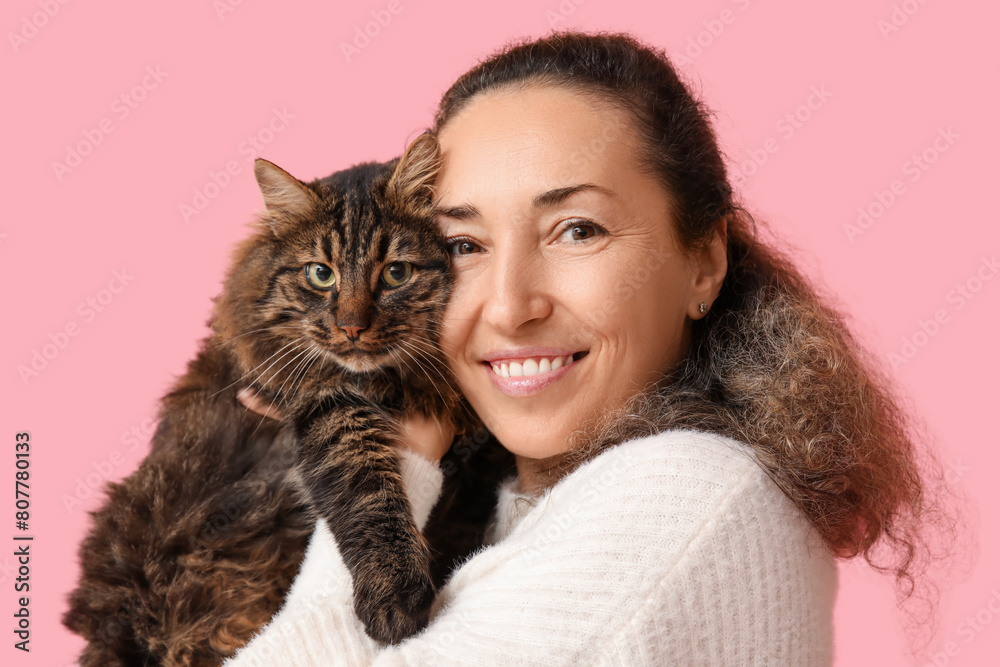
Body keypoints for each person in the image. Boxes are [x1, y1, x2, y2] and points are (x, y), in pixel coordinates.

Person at [227, 31, 953, 665]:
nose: (512, 306)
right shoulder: (522, 502)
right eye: (463, 243)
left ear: (703, 261)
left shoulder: (688, 494)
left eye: (577, 230)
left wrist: (391, 466)